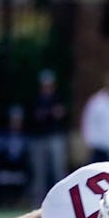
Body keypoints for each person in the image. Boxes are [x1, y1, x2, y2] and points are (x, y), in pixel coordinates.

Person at [26, 69, 69, 209]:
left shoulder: (58, 98)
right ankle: (38, 202)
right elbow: (36, 117)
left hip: (55, 137)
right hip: (40, 138)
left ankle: (62, 201)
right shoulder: (37, 99)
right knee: (39, 172)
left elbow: (60, 115)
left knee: (58, 170)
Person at [0, 105, 31, 206]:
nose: (16, 123)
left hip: (19, 169)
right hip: (5, 167)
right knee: (3, 177)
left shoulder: (25, 135)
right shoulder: (2, 134)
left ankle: (18, 201)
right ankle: (3, 202)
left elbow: (26, 157)